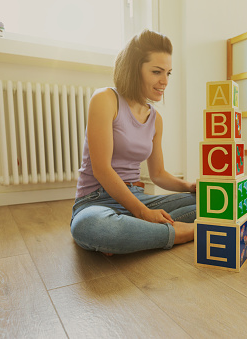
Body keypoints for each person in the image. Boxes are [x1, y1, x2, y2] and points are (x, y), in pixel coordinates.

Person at [70, 30, 196, 256]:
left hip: (137, 197)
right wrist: (142, 213)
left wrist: (191, 187)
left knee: (207, 202)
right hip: (96, 201)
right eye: (157, 72)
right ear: (133, 68)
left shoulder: (156, 119)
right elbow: (101, 169)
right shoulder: (105, 100)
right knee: (90, 227)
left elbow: (157, 174)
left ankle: (135, 234)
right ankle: (186, 232)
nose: (164, 81)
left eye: (168, 73)